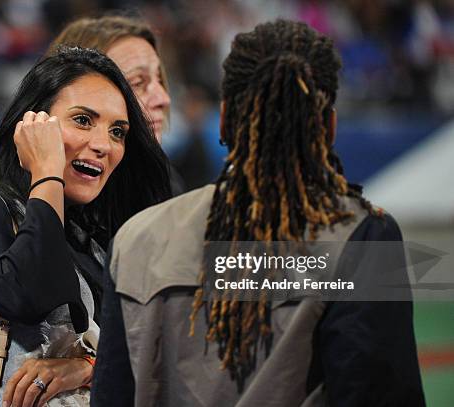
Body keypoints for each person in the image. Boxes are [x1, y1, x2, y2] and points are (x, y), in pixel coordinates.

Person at [92, 20, 425, 406]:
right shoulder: (362, 235)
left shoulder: (137, 238)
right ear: (329, 125)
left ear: (226, 118)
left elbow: (111, 395)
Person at [0, 14, 182, 385]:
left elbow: (163, 341)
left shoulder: (102, 230)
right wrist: (48, 174)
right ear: (35, 121)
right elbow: (32, 299)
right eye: (84, 119)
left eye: (118, 130)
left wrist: (89, 366)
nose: (161, 97)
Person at [47, 15, 185, 195]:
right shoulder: (11, 208)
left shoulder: (165, 181)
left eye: (159, 79)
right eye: (137, 83)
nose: (163, 99)